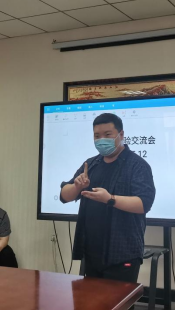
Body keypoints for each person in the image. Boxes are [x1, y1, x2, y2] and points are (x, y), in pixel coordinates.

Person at [60, 113, 155, 283]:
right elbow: (64, 196)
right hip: (91, 251)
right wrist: (77, 186)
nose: (101, 140)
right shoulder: (91, 164)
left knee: (119, 299)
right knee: (91, 298)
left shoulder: (137, 165)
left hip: (122, 252)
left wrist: (110, 199)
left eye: (107, 134)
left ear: (121, 135)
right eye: (97, 136)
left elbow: (144, 203)